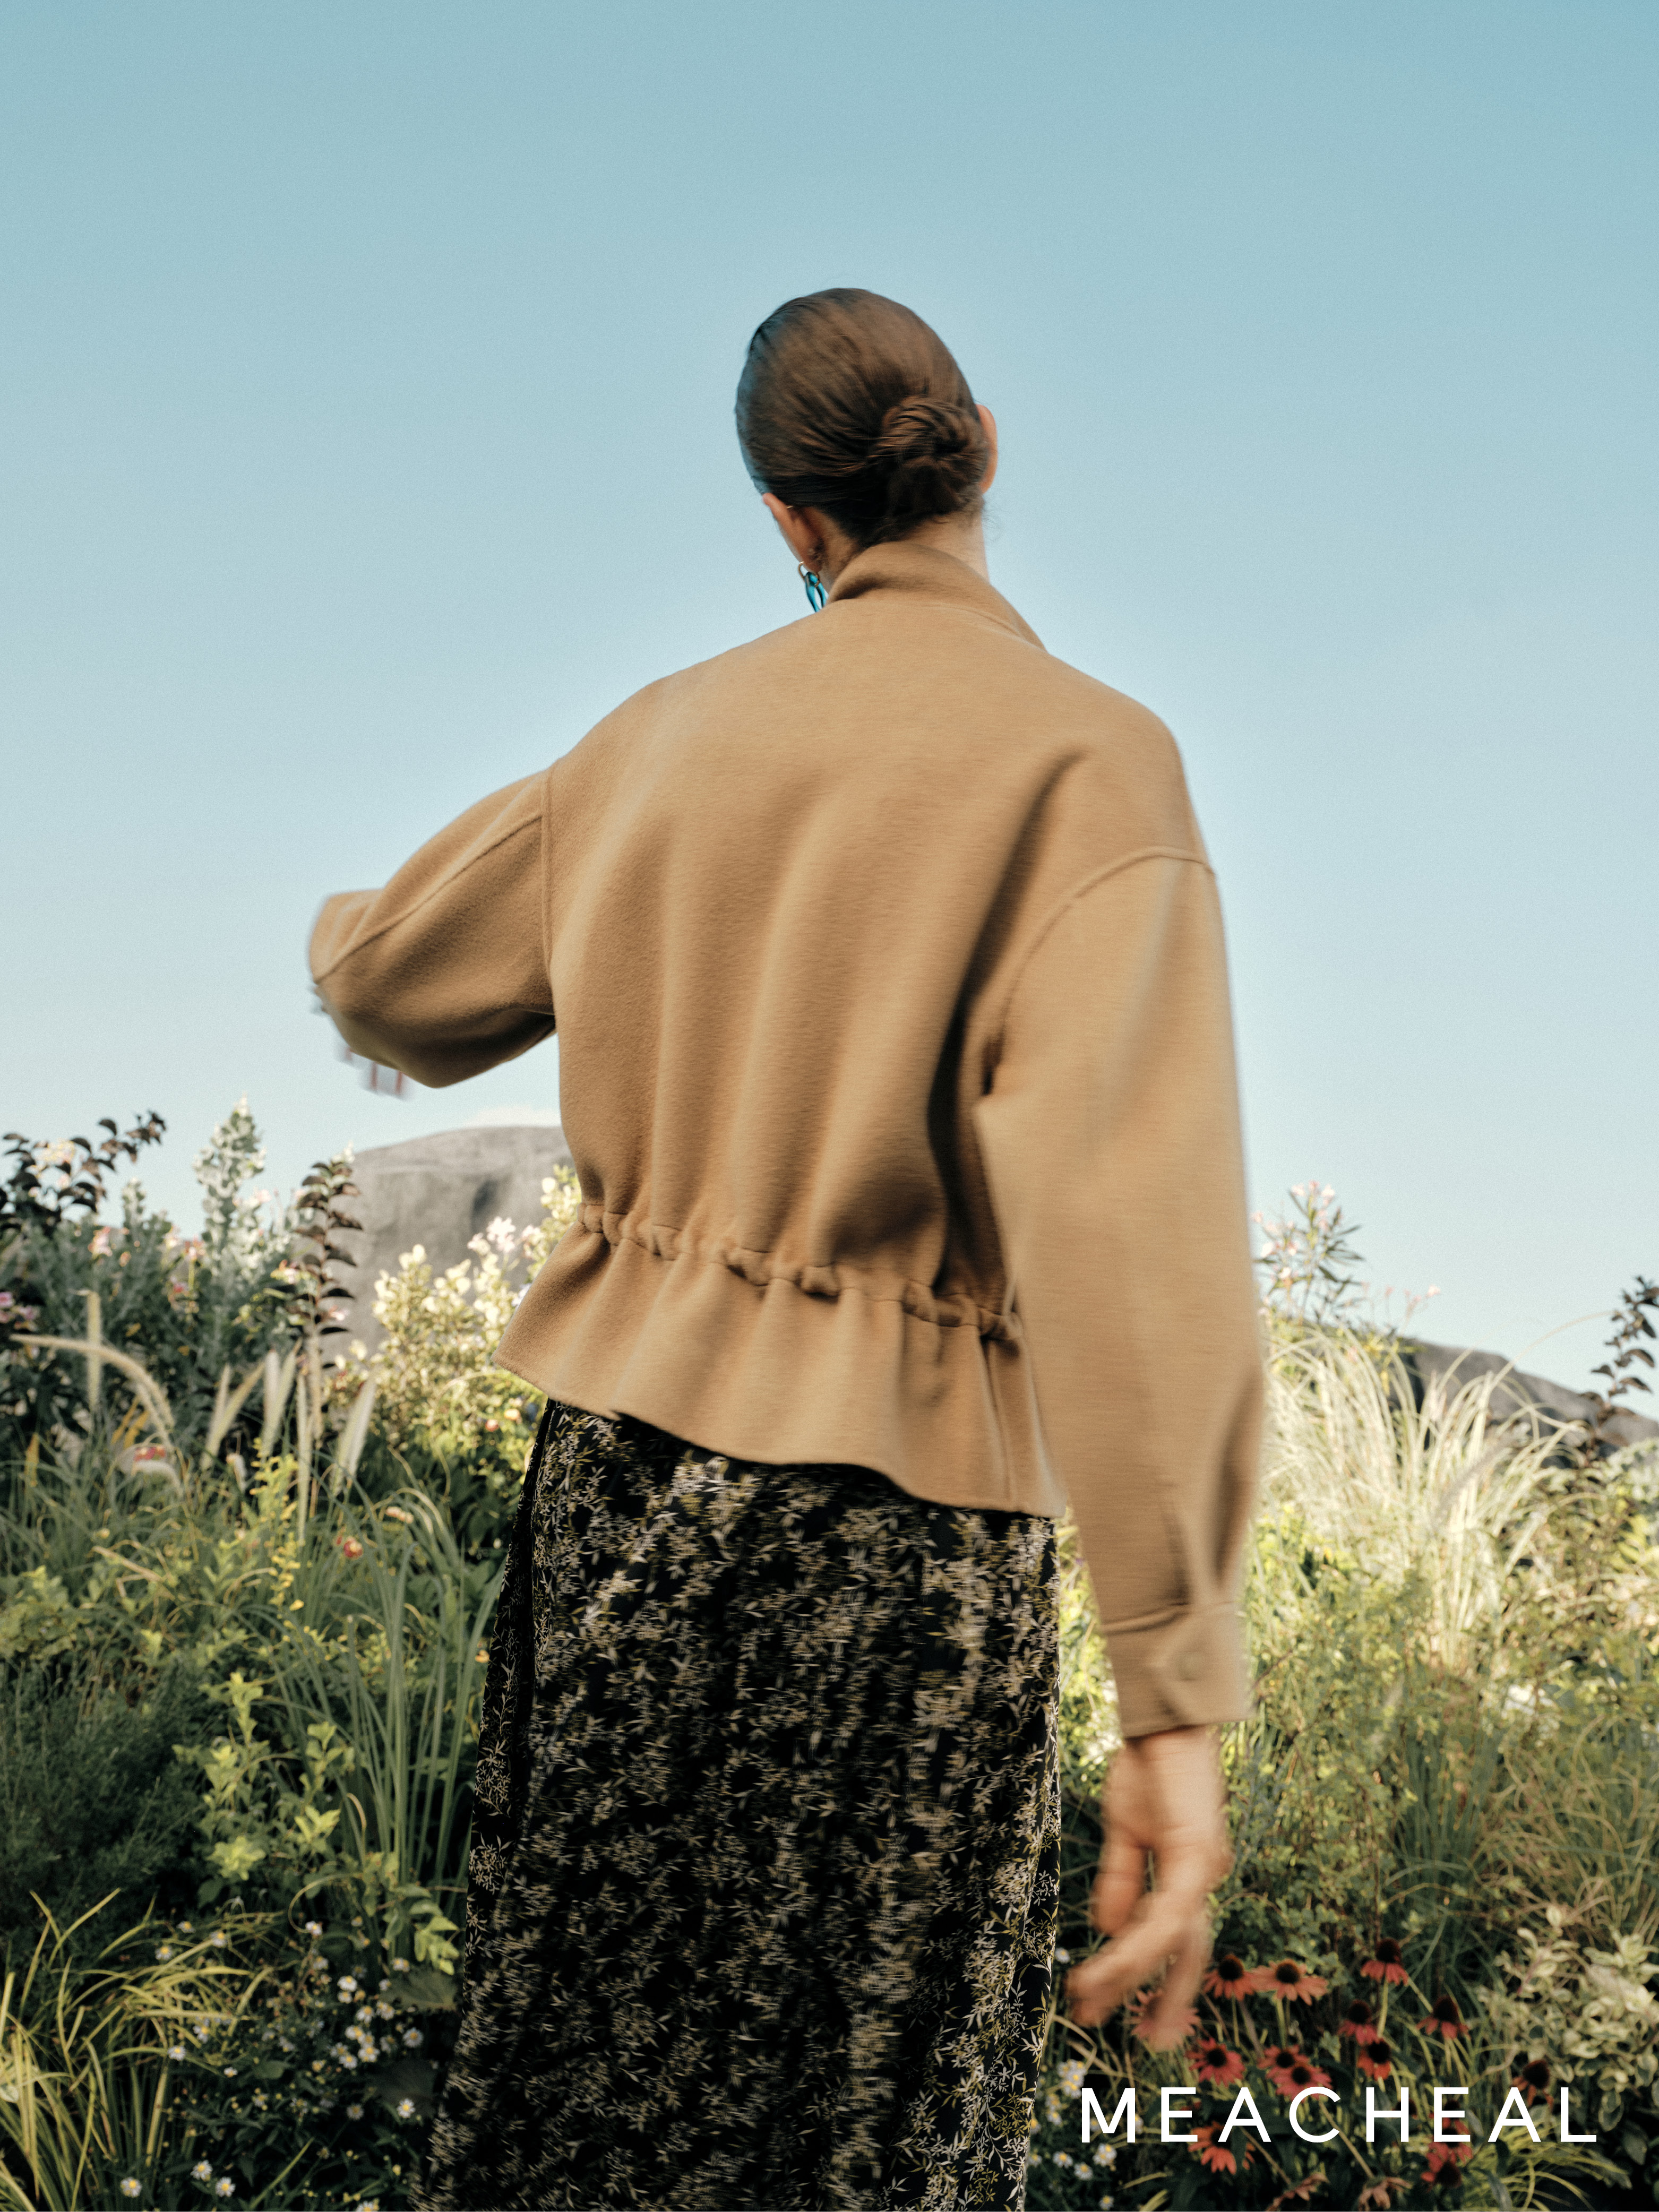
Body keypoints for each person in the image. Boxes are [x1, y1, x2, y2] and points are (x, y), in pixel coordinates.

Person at [311, 287, 1260, 2211]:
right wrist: (1172, 1694)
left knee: (572, 2089)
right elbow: (1128, 1243)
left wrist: (357, 936)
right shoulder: (1094, 767)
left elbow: (392, 977)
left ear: (786, 515)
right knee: (859, 2136)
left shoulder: (656, 744)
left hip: (617, 1501)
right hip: (903, 1556)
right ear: (980, 453)